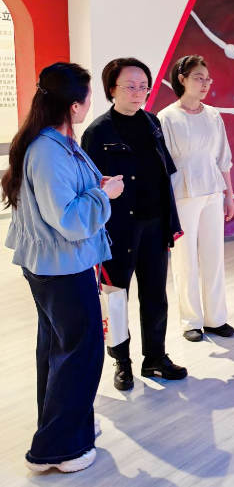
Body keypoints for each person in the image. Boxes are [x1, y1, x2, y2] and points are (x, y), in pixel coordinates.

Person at [2, 62, 125, 472]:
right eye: (89, 98)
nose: (91, 104)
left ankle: (66, 428)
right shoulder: (48, 150)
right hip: (62, 268)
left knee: (60, 350)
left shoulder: (50, 143)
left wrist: (94, 187)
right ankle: (57, 449)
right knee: (80, 353)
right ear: (74, 105)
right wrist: (105, 195)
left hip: (56, 264)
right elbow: (69, 220)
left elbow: (61, 199)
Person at [81, 58, 187, 391]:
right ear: (112, 89)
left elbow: (164, 174)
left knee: (155, 294)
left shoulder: (153, 123)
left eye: (143, 86)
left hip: (155, 223)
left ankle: (155, 358)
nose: (138, 92)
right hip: (117, 229)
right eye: (130, 86)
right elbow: (89, 188)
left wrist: (169, 220)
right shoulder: (97, 132)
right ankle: (121, 361)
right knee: (115, 297)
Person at [158, 55, 234, 342]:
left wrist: (229, 195)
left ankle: (216, 318)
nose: (205, 83)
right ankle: (191, 321)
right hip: (182, 194)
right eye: (198, 78)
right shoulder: (167, 117)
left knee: (214, 255)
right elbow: (163, 164)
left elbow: (223, 158)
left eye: (207, 78)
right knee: (185, 259)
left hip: (213, 191)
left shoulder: (213, 115)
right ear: (182, 80)